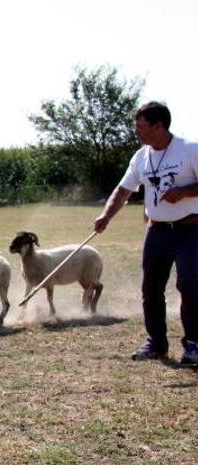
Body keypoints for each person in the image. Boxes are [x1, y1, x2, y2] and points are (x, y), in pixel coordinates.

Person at [94, 101, 198, 364]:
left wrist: (184, 192)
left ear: (159, 125)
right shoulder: (141, 156)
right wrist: (106, 215)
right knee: (151, 288)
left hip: (190, 230)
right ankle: (156, 343)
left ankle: (194, 344)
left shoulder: (189, 150)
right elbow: (123, 190)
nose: (136, 131)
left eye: (140, 126)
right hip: (157, 231)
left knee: (190, 286)